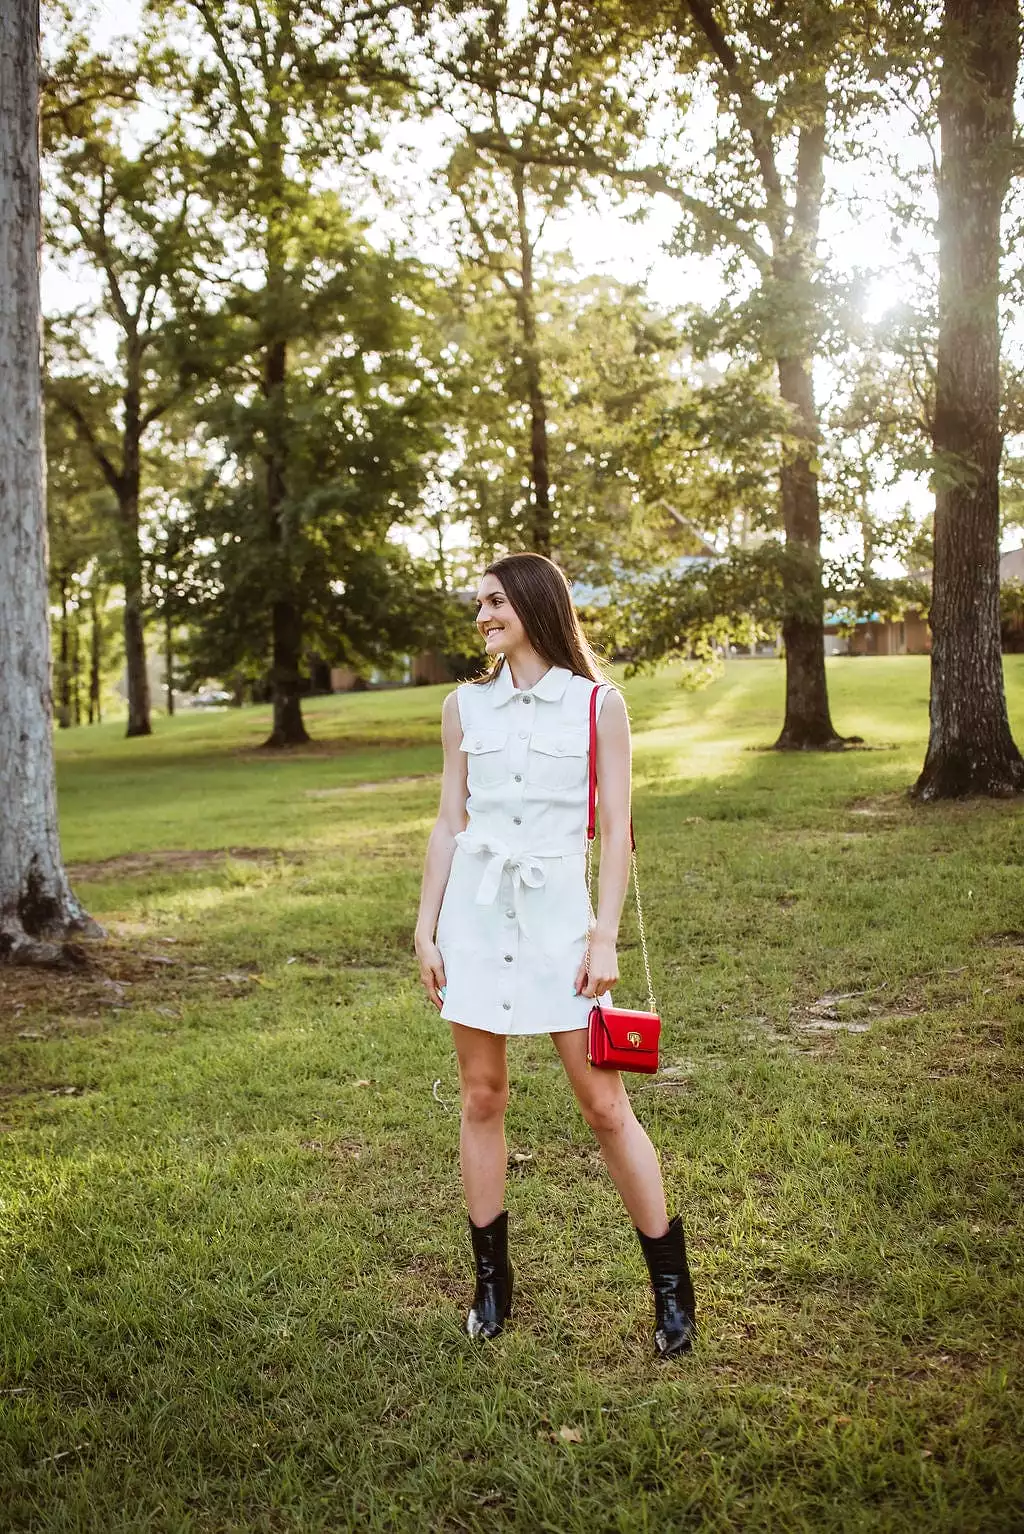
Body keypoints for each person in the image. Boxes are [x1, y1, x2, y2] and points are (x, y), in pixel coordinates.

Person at [414, 552, 696, 1358]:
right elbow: (447, 822)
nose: (481, 617)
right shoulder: (462, 707)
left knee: (605, 1106)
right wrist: (425, 928)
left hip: (560, 929)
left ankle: (671, 1289)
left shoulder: (600, 706)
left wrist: (603, 936)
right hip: (473, 920)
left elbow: (616, 832)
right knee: (481, 1097)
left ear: (536, 604)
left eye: (495, 601)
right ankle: (491, 1284)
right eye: (477, 605)